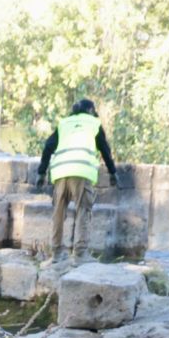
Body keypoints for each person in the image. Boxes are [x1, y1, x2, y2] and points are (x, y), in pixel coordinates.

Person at [35, 98, 120, 263]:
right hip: (81, 171)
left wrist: (41, 172)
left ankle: (56, 253)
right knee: (83, 210)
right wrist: (113, 172)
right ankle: (80, 253)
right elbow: (105, 150)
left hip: (60, 171)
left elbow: (48, 146)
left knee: (58, 211)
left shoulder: (65, 123)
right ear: (90, 111)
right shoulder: (93, 124)